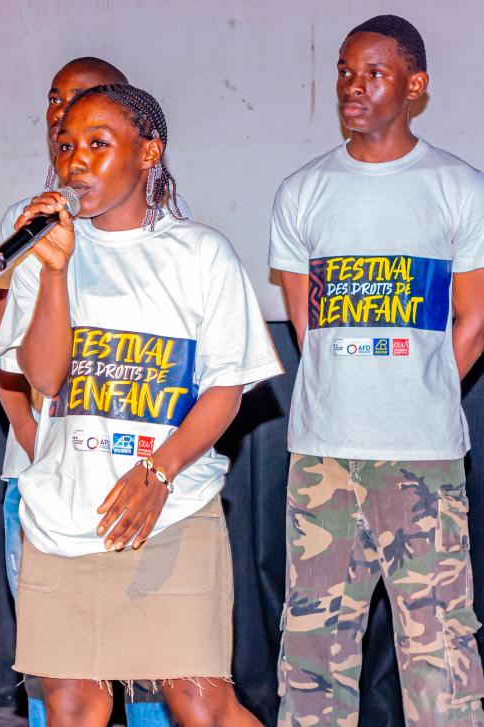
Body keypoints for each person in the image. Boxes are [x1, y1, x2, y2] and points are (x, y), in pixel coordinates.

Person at [0, 83, 280, 727]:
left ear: (148, 152)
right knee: (71, 707)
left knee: (200, 704)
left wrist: (159, 470)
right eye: (66, 146)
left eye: (99, 143)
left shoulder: (201, 254)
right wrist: (58, 271)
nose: (77, 162)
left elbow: (226, 389)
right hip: (63, 518)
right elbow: (41, 374)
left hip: (171, 511)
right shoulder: (46, 256)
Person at [269, 15, 484, 726]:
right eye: (343, 72)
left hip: (422, 457)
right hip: (324, 456)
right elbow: (308, 326)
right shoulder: (303, 191)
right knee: (313, 651)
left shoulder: (458, 186)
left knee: (439, 651)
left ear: (414, 86)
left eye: (374, 73)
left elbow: (474, 318)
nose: (352, 87)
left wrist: (416, 395)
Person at [0, 57, 188, 727]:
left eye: (82, 109)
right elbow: (6, 361)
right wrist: (32, 438)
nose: (61, 119)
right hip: (48, 488)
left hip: (139, 489)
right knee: (65, 683)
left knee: (152, 683)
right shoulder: (37, 226)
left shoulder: (173, 245)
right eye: (54, 106)